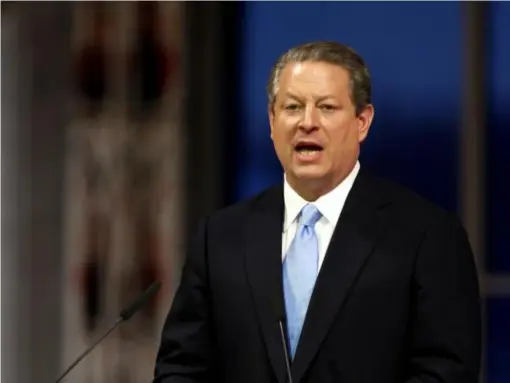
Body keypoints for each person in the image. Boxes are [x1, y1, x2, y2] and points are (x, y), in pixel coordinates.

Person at [153, 41, 481, 383]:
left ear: (362, 122)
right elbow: (181, 368)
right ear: (272, 120)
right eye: (292, 107)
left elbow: (446, 373)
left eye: (326, 107)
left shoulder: (426, 235)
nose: (307, 122)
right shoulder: (221, 237)